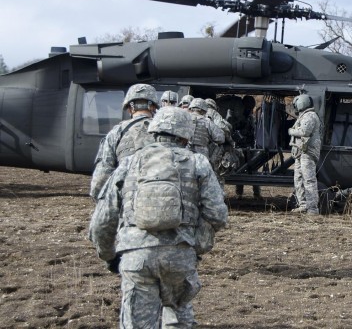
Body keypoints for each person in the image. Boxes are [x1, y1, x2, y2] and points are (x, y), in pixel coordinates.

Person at [89, 106, 229, 328]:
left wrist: (108, 256)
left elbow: (103, 219)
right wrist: (197, 246)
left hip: (136, 257)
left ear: (154, 131)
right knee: (180, 315)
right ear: (185, 136)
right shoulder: (198, 162)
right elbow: (218, 215)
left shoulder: (129, 163)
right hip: (180, 257)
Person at [89, 83, 158, 200]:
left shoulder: (116, 133)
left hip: (127, 200)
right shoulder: (166, 131)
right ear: (153, 107)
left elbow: (102, 175)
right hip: (162, 200)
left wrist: (101, 202)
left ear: (130, 108)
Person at [288, 94, 322, 215]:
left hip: (307, 153)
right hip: (300, 152)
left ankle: (312, 208)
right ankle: (303, 204)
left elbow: (304, 132)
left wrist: (291, 131)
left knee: (308, 180)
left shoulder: (310, 116)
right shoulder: (303, 116)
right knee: (298, 179)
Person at [233, 95, 262, 200]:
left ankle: (257, 194)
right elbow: (234, 129)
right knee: (240, 170)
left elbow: (254, 131)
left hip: (250, 147)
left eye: (251, 107)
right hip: (241, 147)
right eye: (248, 106)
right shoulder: (239, 117)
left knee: (254, 170)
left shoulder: (252, 117)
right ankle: (239, 194)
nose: (249, 109)